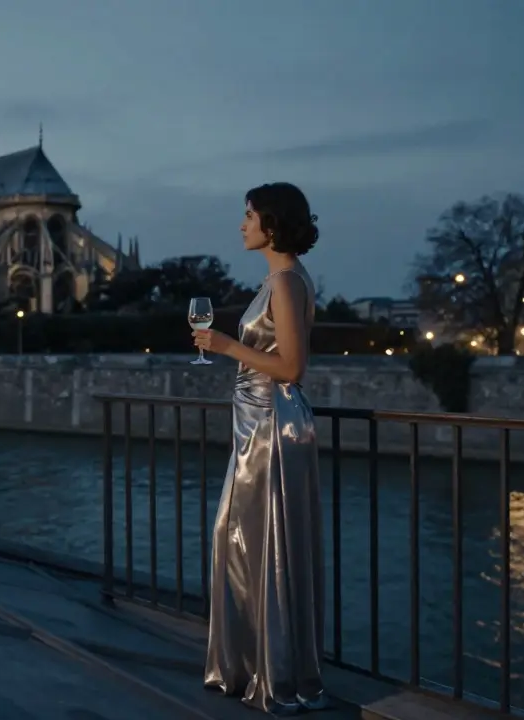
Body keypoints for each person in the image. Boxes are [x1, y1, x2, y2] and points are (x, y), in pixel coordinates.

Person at [193, 182, 331, 715]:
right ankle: (258, 666)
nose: (242, 224)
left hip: (272, 429)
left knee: (257, 545)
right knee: (252, 546)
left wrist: (228, 346)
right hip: (259, 427)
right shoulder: (282, 279)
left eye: (249, 215)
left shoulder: (284, 281)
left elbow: (293, 370)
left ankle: (271, 674)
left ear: (271, 224)